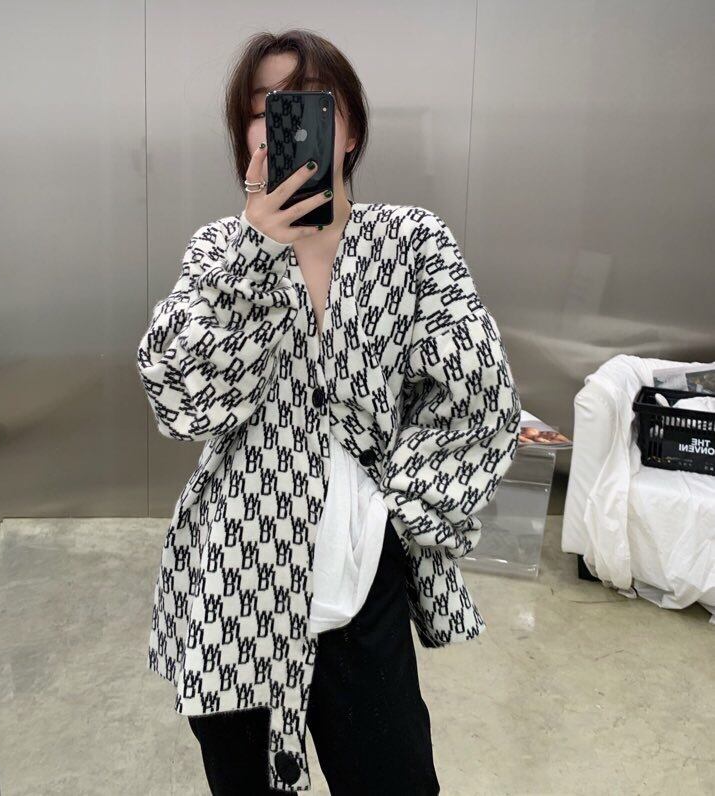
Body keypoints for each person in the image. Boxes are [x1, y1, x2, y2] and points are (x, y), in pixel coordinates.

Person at [136, 28, 521, 796]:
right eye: (262, 107)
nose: (282, 120)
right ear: (244, 134)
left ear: (348, 129)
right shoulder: (218, 250)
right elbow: (179, 399)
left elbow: (481, 401)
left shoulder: (410, 243)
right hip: (234, 580)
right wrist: (253, 252)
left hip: (362, 576)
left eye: (310, 103)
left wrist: (396, 507)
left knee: (395, 778)